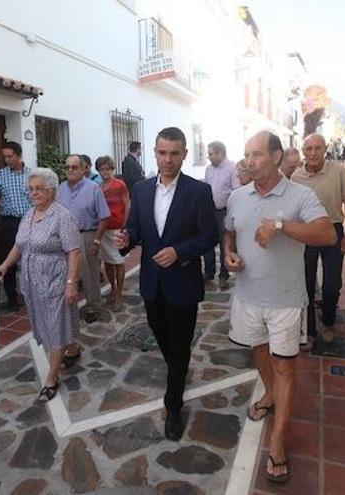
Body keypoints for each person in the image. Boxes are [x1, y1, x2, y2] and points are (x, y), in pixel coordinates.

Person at [224, 131, 335, 483]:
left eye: (256, 154)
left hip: (285, 301)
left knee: (284, 366)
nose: (249, 160)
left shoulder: (301, 194)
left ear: (275, 157)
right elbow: (230, 231)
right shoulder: (237, 196)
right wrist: (229, 253)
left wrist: (280, 225)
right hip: (248, 296)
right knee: (259, 353)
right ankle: (270, 394)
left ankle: (277, 440)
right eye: (246, 154)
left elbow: (327, 235)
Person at [115, 127, 218, 441]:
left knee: (180, 343)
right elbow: (135, 229)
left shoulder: (198, 191)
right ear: (155, 153)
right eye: (162, 153)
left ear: (184, 154)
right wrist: (126, 240)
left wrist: (179, 252)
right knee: (161, 335)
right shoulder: (141, 190)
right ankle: (178, 368)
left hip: (183, 282)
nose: (168, 159)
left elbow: (209, 235)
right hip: (152, 282)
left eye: (174, 153)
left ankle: (173, 404)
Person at [0, 168, 83, 402]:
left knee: (54, 326)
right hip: (32, 282)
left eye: (38, 189)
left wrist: (71, 283)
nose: (33, 193)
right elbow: (19, 245)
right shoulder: (28, 215)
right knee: (48, 322)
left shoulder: (62, 217)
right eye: (30, 189)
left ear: (51, 190)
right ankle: (73, 348)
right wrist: (5, 265)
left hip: (55, 279)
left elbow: (74, 252)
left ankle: (52, 378)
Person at [291, 133, 345, 344]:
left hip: (333, 232)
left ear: (325, 149)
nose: (313, 153)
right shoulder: (296, 177)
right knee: (306, 283)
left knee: (332, 285)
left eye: (317, 148)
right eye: (308, 149)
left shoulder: (338, 171)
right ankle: (309, 330)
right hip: (307, 232)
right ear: (303, 151)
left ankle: (328, 320)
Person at [56, 155, 111, 313]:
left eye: (74, 167)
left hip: (86, 236)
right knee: (68, 274)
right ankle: (69, 308)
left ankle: (94, 306)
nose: (70, 170)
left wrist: (96, 241)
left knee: (90, 275)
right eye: (67, 167)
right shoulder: (60, 189)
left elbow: (104, 217)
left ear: (82, 169)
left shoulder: (93, 188)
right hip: (65, 237)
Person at [0, 142, 32, 312]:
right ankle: (11, 297)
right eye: (5, 157)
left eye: (10, 156)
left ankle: (33, 293)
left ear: (19, 155)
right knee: (9, 258)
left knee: (31, 256)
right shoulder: (0, 175)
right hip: (10, 222)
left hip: (30, 221)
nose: (7, 160)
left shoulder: (32, 174)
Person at [203, 141, 240, 290]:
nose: (208, 156)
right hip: (209, 211)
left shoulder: (232, 168)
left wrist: (231, 213)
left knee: (225, 244)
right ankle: (208, 273)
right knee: (207, 242)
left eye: (211, 154)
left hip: (224, 212)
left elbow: (236, 190)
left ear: (220, 153)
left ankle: (223, 276)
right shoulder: (208, 169)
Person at [96, 155, 131, 310]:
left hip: (118, 228)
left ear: (112, 169)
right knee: (108, 262)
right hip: (104, 229)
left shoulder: (120, 184)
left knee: (118, 261)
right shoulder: (98, 187)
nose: (105, 172)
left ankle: (119, 295)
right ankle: (113, 288)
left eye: (108, 169)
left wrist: (125, 225)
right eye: (102, 169)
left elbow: (127, 204)